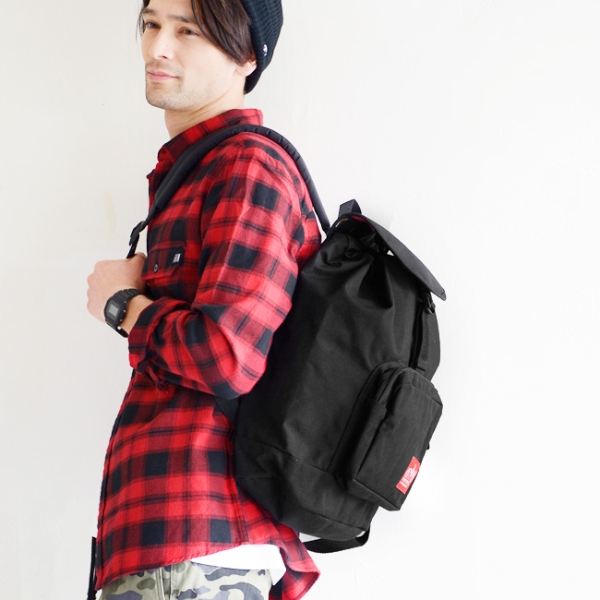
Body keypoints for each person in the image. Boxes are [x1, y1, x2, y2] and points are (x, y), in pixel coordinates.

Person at [86, 0, 321, 598]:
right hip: (174, 542)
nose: (158, 47)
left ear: (248, 57)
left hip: (200, 545)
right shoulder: (197, 170)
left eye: (187, 30)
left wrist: (123, 306)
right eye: (152, 24)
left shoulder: (248, 167)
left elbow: (226, 355)